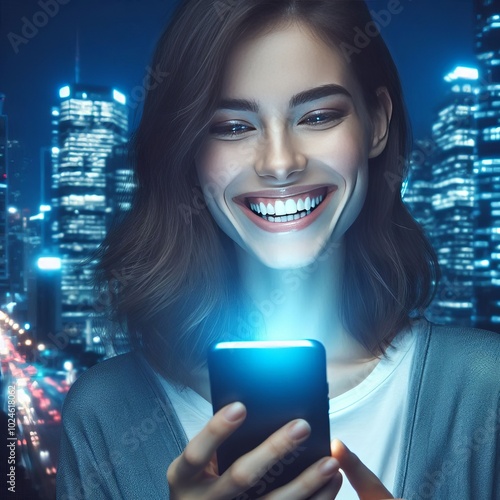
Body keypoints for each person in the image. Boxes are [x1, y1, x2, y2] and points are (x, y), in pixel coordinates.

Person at [56, 1, 500, 499]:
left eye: (317, 116)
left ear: (376, 122)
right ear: (190, 151)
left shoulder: (484, 388)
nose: (281, 162)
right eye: (232, 126)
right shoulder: (107, 412)